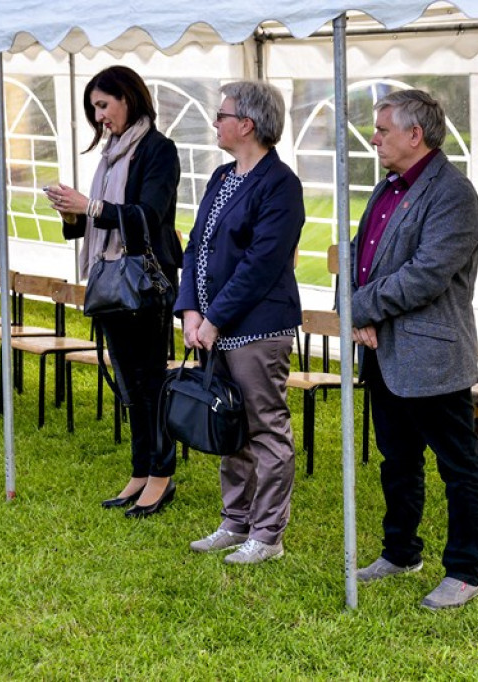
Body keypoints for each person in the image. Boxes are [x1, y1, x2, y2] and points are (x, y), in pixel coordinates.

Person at [350, 89, 478, 610]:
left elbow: (426, 275)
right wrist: (360, 309)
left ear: (416, 134)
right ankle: (401, 551)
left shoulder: (452, 193)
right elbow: (363, 258)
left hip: (431, 356)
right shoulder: (387, 186)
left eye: (383, 129)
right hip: (383, 350)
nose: (374, 136)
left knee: (459, 467)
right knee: (397, 460)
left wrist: (363, 309)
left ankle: (464, 571)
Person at [47, 66, 182, 518]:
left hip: (145, 283)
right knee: (129, 384)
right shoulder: (110, 154)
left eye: (104, 105)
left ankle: (160, 477)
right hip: (110, 282)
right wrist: (73, 214)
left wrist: (92, 208)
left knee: (150, 382)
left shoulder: (158, 150)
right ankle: (140, 471)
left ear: (128, 97)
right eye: (94, 109)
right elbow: (96, 222)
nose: (100, 117)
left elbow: (148, 216)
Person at [178, 81, 304, 565]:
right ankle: (236, 521)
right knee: (228, 423)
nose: (215, 121)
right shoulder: (221, 176)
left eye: (221, 114)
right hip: (213, 325)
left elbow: (263, 263)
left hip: (256, 327)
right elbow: (195, 245)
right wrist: (191, 308)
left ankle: (267, 534)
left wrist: (214, 318)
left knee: (264, 428)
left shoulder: (280, 184)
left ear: (246, 124)